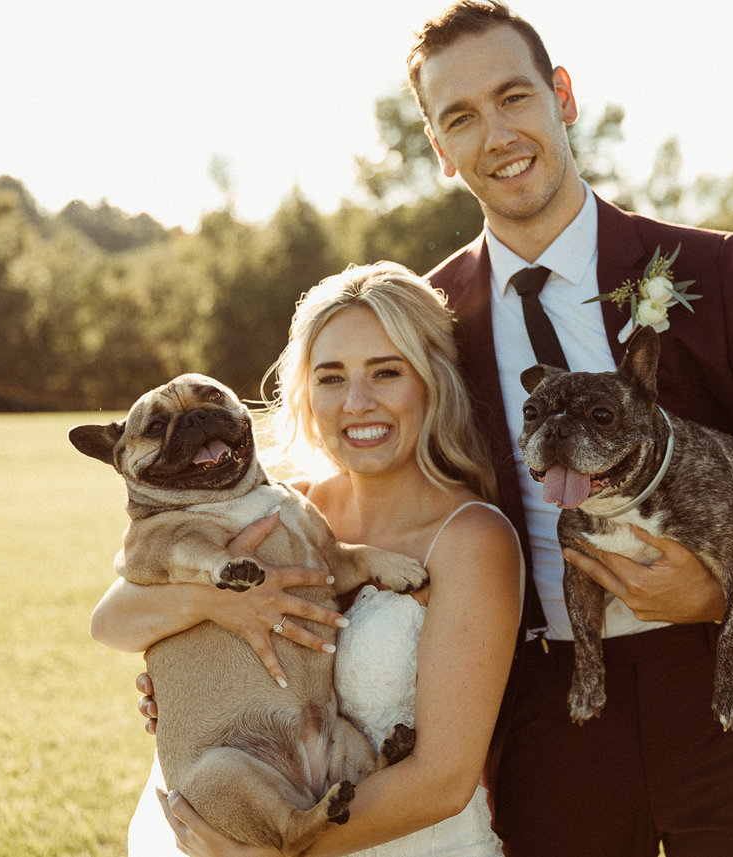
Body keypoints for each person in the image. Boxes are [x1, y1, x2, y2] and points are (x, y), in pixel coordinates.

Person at [402, 3, 733, 856]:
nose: (496, 135)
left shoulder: (704, 271)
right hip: (549, 705)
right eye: (461, 117)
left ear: (563, 97)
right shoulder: (428, 319)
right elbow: (373, 497)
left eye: (514, 97)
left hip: (732, 678)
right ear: (439, 150)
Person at [90, 262, 524, 856]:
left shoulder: (471, 540)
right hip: (249, 794)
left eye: (386, 372)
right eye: (331, 378)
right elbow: (111, 620)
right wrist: (215, 609)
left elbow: (443, 782)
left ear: (433, 380)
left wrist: (277, 852)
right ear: (304, 392)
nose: (358, 403)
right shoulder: (287, 506)